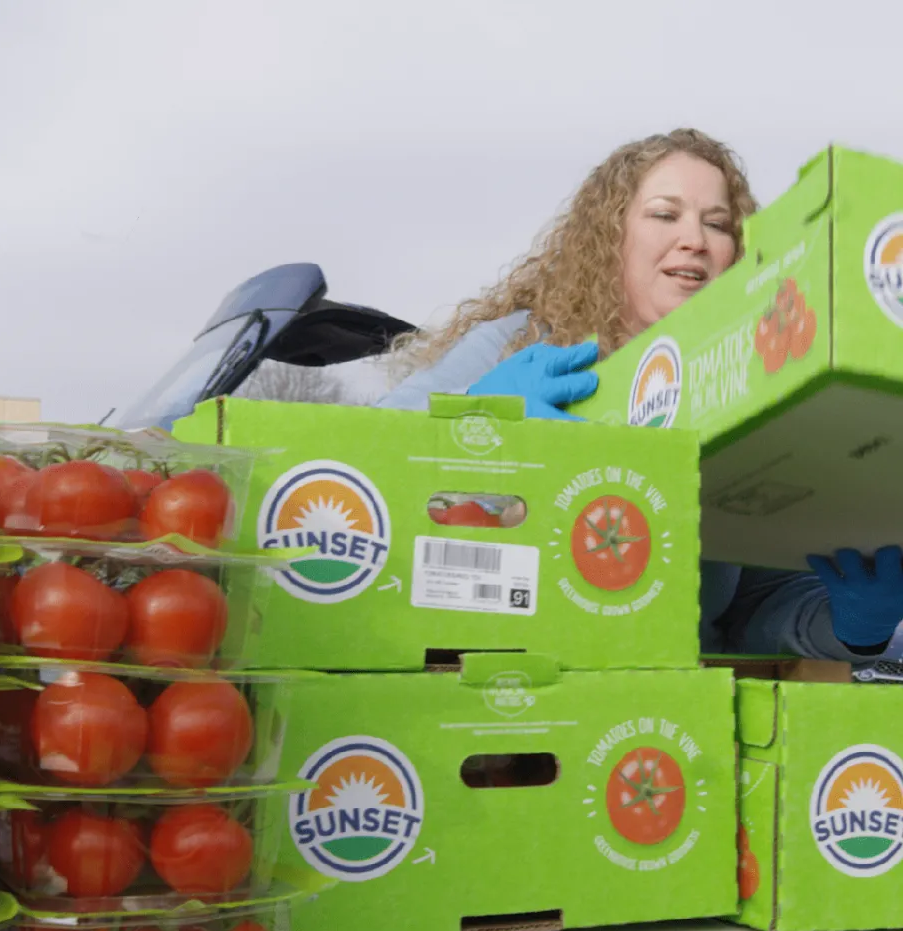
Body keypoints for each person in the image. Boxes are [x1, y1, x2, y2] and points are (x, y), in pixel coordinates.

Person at [377, 128, 903, 664]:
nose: (695, 239)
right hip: (490, 690)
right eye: (665, 214)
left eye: (718, 224)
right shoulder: (522, 343)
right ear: (611, 236)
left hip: (663, 711)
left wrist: (856, 626)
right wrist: (473, 409)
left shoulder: (742, 383)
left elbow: (753, 607)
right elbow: (358, 455)